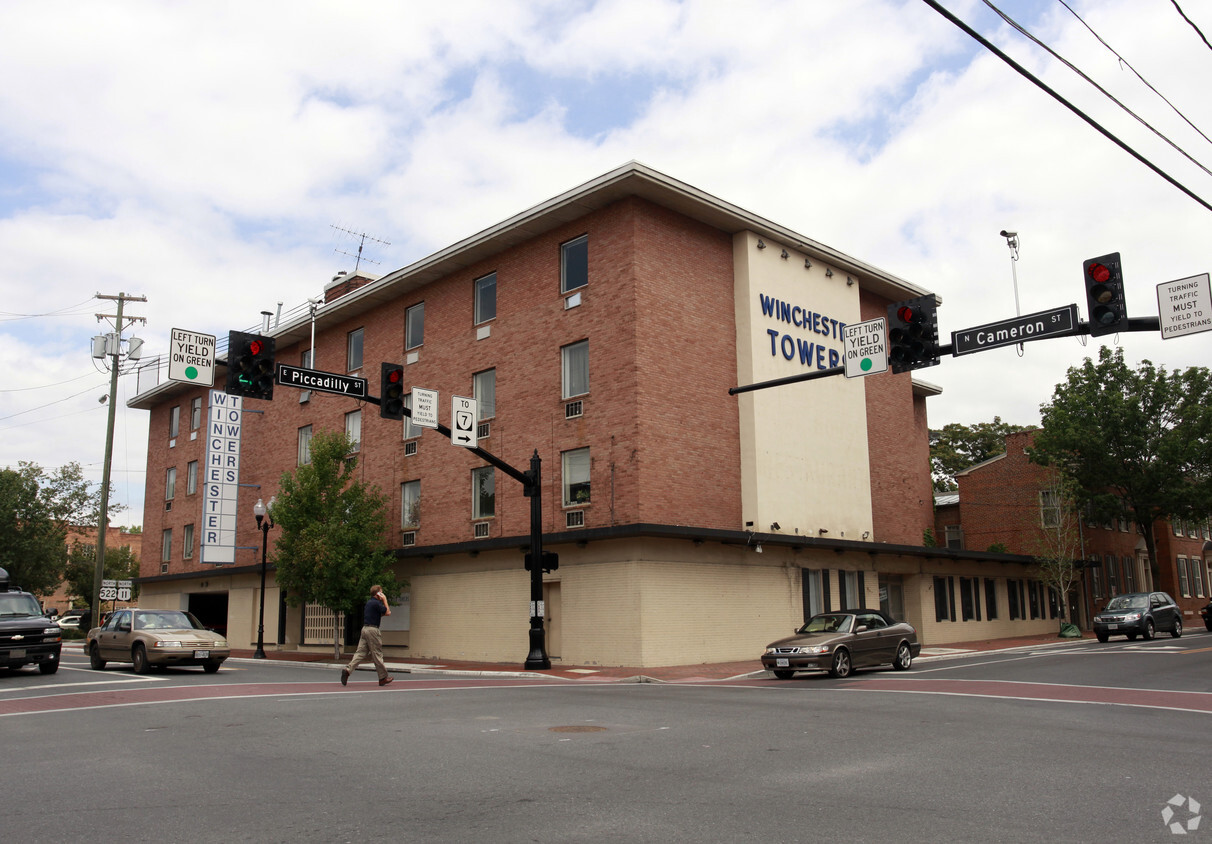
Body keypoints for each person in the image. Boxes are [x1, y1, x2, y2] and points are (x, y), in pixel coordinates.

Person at [340, 585, 393, 687]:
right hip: (373, 630)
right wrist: (385, 600)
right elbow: (387, 612)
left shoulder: (369, 603)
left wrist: (384, 609)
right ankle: (382, 678)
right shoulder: (377, 603)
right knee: (377, 654)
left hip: (364, 629)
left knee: (360, 652)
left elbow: (383, 613)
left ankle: (348, 670)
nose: (382, 594)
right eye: (381, 592)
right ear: (378, 594)